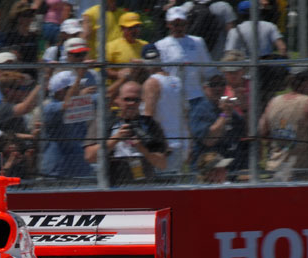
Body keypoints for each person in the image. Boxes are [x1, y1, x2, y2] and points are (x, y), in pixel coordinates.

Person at [84, 80, 168, 186]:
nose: (131, 103)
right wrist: (116, 138)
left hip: (144, 185)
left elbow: (162, 164)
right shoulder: (104, 123)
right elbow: (90, 156)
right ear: (117, 100)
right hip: (113, 185)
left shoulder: (150, 124)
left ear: (141, 101)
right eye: (127, 99)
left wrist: (142, 148)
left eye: (136, 100)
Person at [155, 6, 216, 114]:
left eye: (182, 24)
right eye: (175, 24)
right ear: (168, 24)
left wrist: (210, 88)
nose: (179, 28)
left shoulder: (197, 42)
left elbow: (208, 70)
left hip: (195, 96)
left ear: (187, 24)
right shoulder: (160, 45)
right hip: (172, 98)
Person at [258, 67, 308, 180]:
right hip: (300, 170)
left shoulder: (274, 101)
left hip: (275, 166)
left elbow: (263, 131)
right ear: (307, 83)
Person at [41, 67, 96, 180]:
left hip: (80, 169)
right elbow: (67, 105)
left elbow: (104, 97)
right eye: (75, 87)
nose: (79, 89)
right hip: (57, 172)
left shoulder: (79, 104)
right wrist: (79, 77)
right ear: (60, 91)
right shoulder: (51, 108)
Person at [140, 43, 186, 174]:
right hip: (180, 142)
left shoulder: (152, 83)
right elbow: (185, 114)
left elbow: (148, 117)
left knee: (162, 181)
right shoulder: (177, 80)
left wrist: (157, 146)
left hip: (164, 146)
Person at [190, 72, 246, 170]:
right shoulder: (200, 109)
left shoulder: (229, 109)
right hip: (207, 169)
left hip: (230, 167)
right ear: (204, 88)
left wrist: (245, 108)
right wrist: (225, 114)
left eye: (222, 84)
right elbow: (209, 140)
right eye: (214, 85)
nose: (218, 88)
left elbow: (246, 132)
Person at [105, 13, 147, 82]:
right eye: (130, 28)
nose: (134, 31)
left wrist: (143, 63)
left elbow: (154, 65)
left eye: (137, 27)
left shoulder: (145, 45)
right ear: (122, 28)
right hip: (118, 86)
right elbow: (104, 70)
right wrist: (118, 74)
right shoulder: (111, 46)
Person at [1, 0, 39, 71]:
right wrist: (11, 52)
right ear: (18, 18)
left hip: (31, 71)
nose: (28, 18)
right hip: (14, 71)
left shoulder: (33, 37)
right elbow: (3, 54)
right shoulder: (10, 36)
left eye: (30, 15)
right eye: (25, 15)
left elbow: (35, 58)